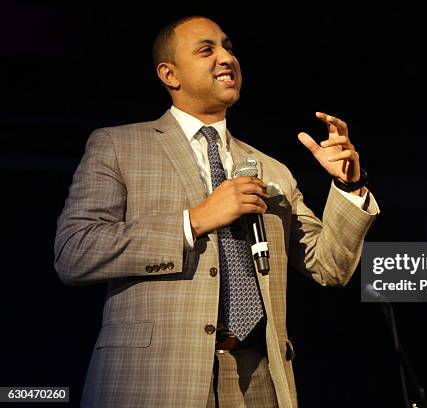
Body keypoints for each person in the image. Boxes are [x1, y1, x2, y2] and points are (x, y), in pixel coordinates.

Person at [54, 15, 379, 408]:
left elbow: (330, 267)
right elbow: (75, 252)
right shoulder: (119, 146)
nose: (226, 57)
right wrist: (194, 221)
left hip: (260, 378)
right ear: (169, 74)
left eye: (228, 47)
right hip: (154, 378)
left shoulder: (271, 169)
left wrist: (347, 186)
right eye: (207, 50)